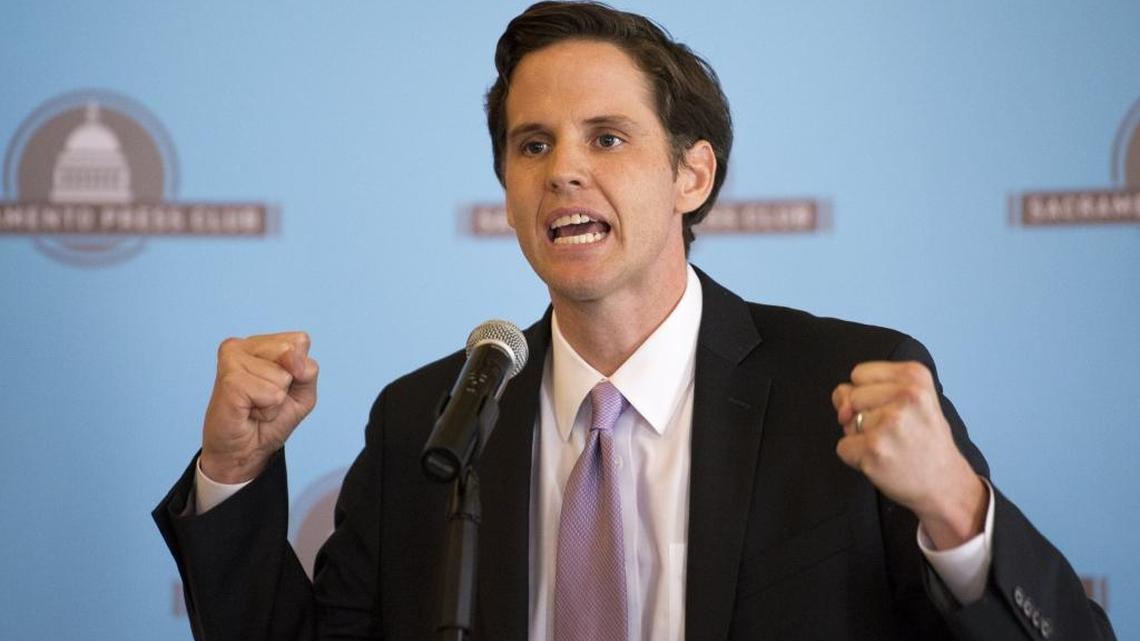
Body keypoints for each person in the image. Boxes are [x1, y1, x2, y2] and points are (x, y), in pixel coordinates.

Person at [154, 2, 1116, 640]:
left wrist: (956, 509)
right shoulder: (427, 421)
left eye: (606, 137)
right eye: (534, 145)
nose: (563, 169)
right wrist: (232, 477)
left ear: (691, 173)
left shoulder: (851, 386)